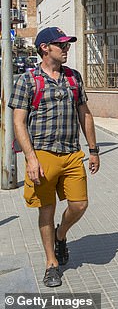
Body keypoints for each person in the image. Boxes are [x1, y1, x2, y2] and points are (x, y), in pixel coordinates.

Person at [9, 27, 100, 288]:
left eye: (68, 44)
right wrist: (30, 158)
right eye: (61, 44)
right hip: (43, 155)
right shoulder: (27, 80)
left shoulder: (74, 78)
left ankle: (61, 234)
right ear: (45, 48)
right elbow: (19, 122)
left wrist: (93, 150)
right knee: (46, 210)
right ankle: (51, 263)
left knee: (79, 204)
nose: (66, 48)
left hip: (72, 154)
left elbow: (85, 113)